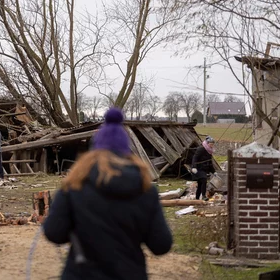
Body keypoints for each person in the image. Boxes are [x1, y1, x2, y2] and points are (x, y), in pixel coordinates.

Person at [43, 108, 172, 280]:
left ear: (94, 149)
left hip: (81, 274)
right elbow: (161, 245)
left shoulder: (75, 185)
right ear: (126, 150)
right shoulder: (145, 190)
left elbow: (54, 232)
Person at [191, 136, 216, 201]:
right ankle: (204, 196)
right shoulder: (201, 149)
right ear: (207, 144)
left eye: (213, 144)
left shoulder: (209, 151)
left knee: (200, 184)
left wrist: (213, 171)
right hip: (198, 169)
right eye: (211, 144)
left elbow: (210, 162)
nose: (212, 145)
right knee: (204, 180)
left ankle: (197, 198)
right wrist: (194, 167)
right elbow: (195, 158)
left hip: (204, 169)